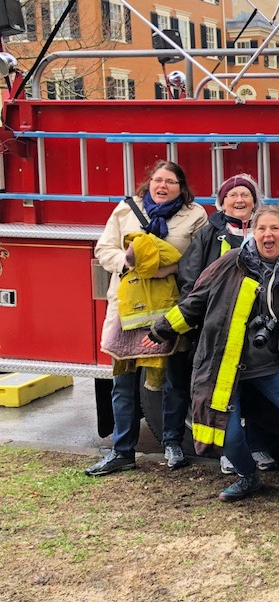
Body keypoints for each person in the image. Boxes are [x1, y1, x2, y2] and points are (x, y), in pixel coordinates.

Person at [146, 204, 279, 506]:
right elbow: (195, 301)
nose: (268, 235)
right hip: (226, 366)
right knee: (228, 437)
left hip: (276, 365)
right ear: (253, 233)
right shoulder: (230, 262)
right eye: (262, 228)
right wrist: (161, 330)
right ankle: (248, 477)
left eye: (275, 228)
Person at [86, 160, 208, 477]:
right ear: (148, 182)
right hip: (126, 309)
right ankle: (122, 451)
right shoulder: (127, 209)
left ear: (182, 187)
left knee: (173, 380)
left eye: (170, 181)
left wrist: (166, 268)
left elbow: (198, 259)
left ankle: (172, 445)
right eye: (157, 179)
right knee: (123, 383)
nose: (162, 185)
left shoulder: (195, 215)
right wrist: (128, 263)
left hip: (169, 310)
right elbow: (104, 249)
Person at [176, 173, 276, 476]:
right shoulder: (210, 233)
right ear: (222, 202)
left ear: (255, 201)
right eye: (232, 195)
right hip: (220, 329)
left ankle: (256, 445)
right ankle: (229, 452)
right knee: (224, 392)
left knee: (255, 392)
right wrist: (198, 317)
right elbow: (191, 277)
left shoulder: (265, 231)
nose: (239, 200)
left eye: (245, 194)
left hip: (258, 329)